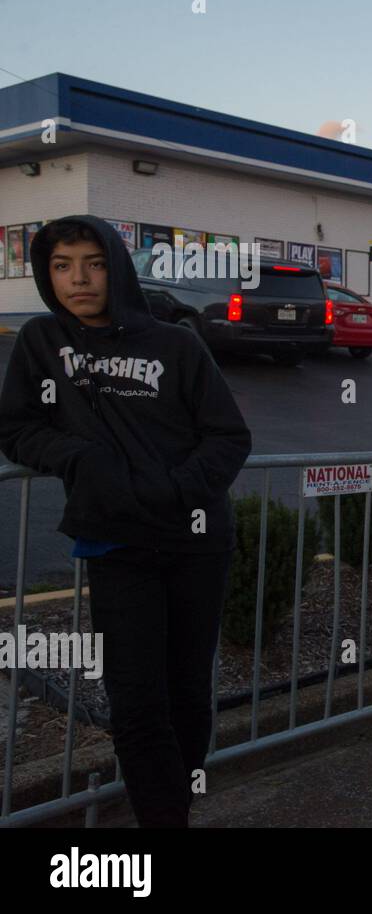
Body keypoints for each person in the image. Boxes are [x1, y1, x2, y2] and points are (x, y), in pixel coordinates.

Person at [0, 215, 252, 827]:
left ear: (116, 265)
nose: (78, 279)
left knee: (187, 690)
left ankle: (172, 804)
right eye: (62, 266)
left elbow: (228, 436)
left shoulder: (176, 344)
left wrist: (171, 490)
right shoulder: (41, 341)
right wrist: (77, 456)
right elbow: (15, 428)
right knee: (137, 701)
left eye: (94, 262)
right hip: (115, 544)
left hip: (196, 540)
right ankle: (162, 817)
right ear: (46, 273)